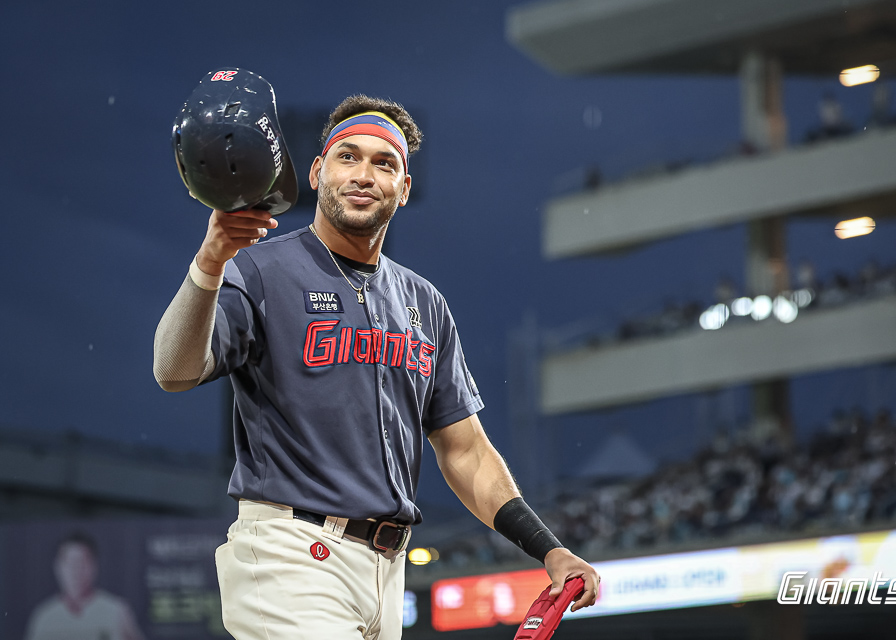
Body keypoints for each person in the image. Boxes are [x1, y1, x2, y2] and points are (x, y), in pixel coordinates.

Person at [153, 95, 599, 639]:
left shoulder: (424, 302)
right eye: (347, 157)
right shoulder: (260, 269)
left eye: (384, 163)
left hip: (387, 573)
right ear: (317, 173)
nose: (364, 174)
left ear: (403, 189)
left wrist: (550, 550)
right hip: (291, 553)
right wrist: (209, 263)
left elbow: (466, 452)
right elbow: (173, 371)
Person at [23, 532, 147, 640]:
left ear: (94, 566)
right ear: (58, 567)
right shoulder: (44, 617)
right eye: (70, 563)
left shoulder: (117, 611)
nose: (76, 571)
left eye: (82, 563)